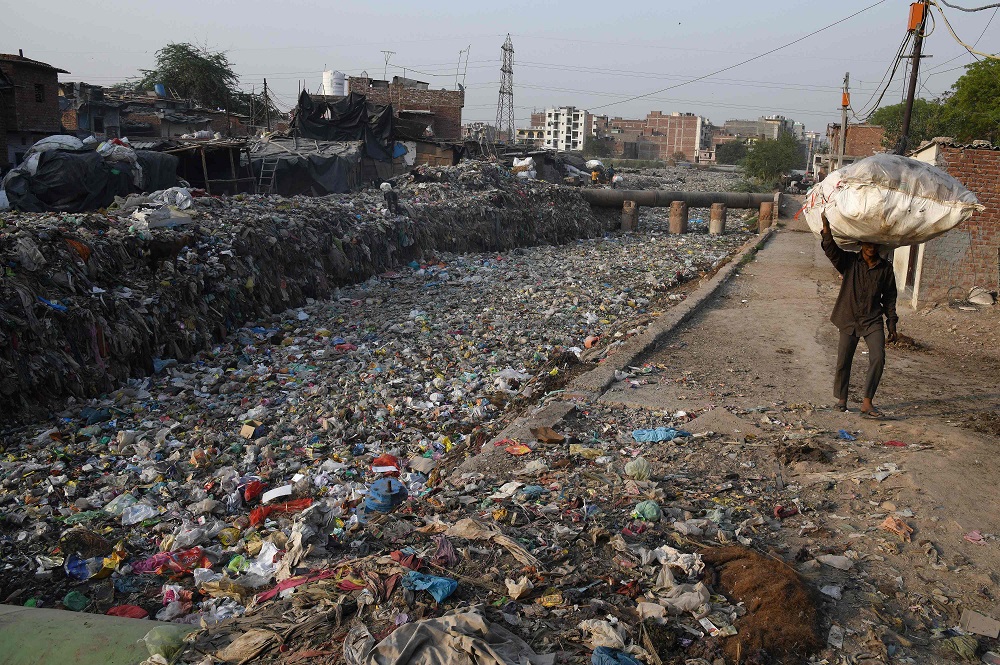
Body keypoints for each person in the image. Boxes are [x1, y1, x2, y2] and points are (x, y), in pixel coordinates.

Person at [821, 213, 898, 418]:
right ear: (861, 244)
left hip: (872, 320)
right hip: (848, 316)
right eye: (867, 244)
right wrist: (826, 230)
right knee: (844, 360)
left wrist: (892, 323)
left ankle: (867, 402)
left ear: (879, 247)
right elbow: (832, 252)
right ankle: (842, 399)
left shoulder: (885, 269)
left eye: (874, 244)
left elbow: (890, 297)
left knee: (878, 357)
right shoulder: (849, 262)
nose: (871, 248)